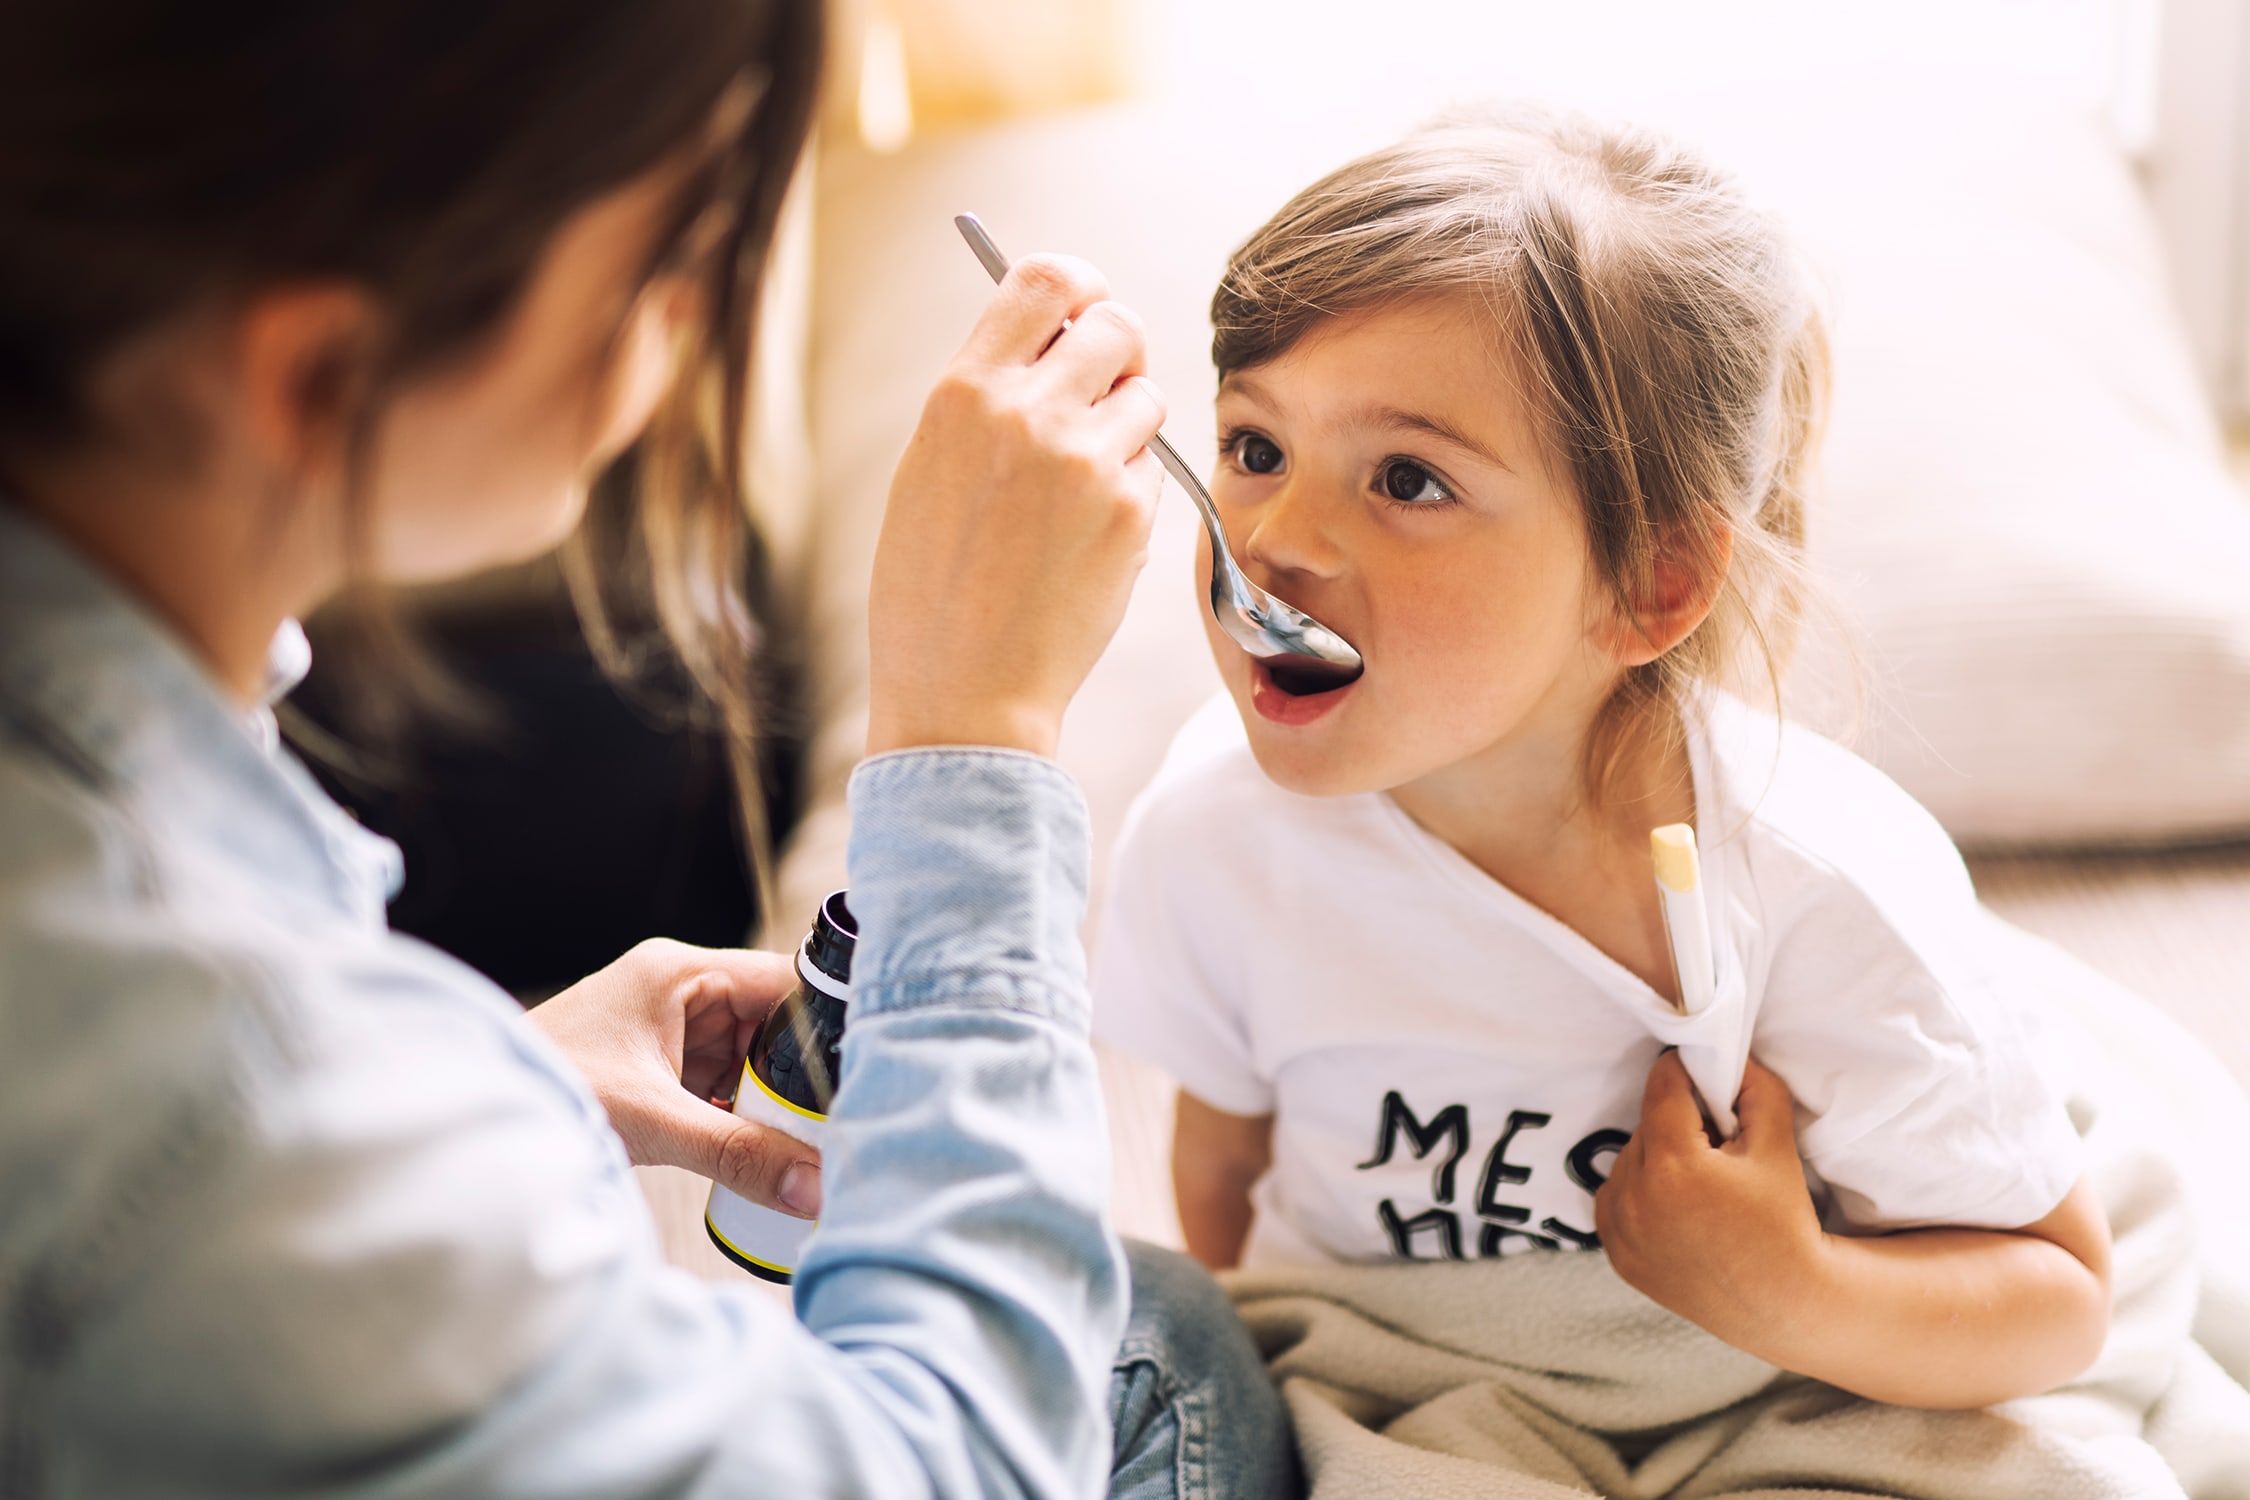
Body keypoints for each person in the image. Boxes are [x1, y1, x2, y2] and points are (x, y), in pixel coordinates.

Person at [0, 4, 1295, 1497]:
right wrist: (971, 739)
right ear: (319, 378)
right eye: (672, 264)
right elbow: (975, 1462)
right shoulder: (221, 1100)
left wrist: (489, 1072)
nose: (695, 334)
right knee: (1152, 1366)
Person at [1094, 109, 2115, 1411]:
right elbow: (1224, 1184)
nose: (1273, 541)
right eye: (1253, 448)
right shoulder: (1206, 834)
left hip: (1765, 1383)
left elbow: (2057, 1308)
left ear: (1651, 582)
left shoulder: (1826, 894)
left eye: (1405, 479)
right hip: (1388, 1380)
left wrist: (1788, 1286)